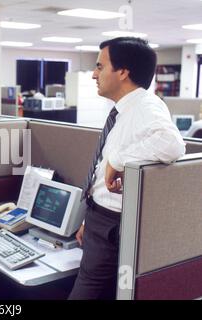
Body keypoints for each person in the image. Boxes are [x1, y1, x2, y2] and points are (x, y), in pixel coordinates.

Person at [68, 37, 186, 300]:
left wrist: (118, 160)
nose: (94, 75)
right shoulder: (123, 110)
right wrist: (90, 219)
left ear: (123, 72)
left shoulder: (146, 105)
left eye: (99, 66)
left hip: (113, 226)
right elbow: (102, 174)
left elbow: (172, 144)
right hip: (100, 220)